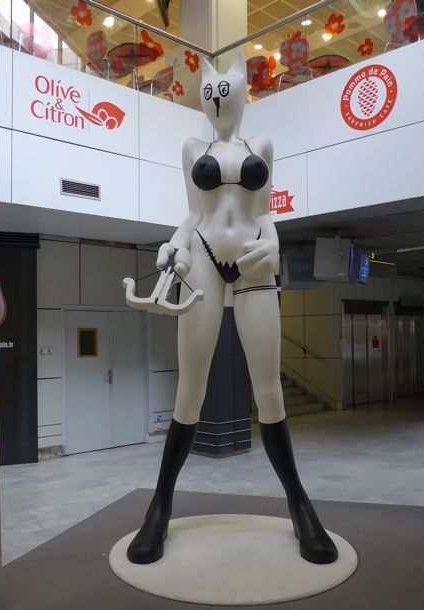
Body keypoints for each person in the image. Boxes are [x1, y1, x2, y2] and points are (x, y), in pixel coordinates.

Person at [126, 53, 338, 566]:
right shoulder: (191, 148)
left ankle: (300, 505)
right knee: (190, 390)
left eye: (226, 92)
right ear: (204, 97)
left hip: (253, 262)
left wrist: (274, 245)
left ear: (242, 94)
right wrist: (172, 244)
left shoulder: (261, 145)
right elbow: (192, 213)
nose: (218, 101)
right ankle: (159, 507)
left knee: (269, 391)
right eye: (211, 93)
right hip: (201, 257)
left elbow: (264, 214)